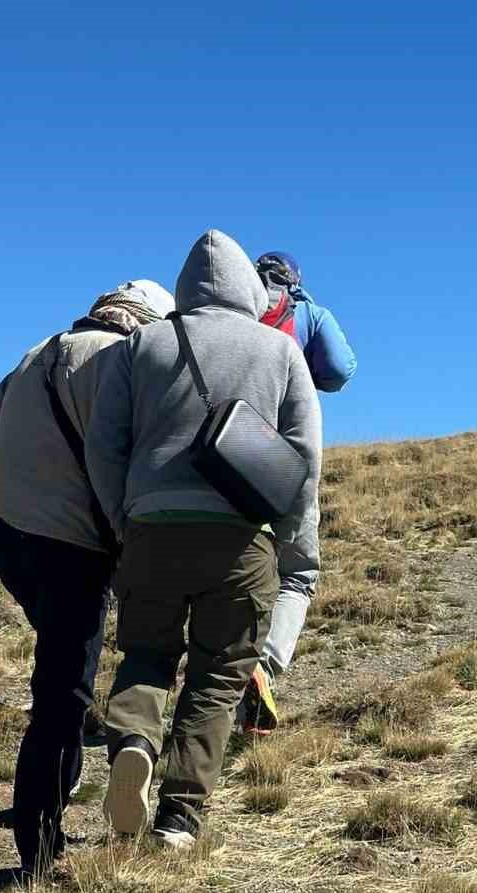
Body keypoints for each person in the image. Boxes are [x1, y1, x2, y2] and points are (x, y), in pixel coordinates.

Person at [86, 230, 322, 849]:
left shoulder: (140, 345)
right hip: (242, 537)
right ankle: (179, 819)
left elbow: (103, 447)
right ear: (248, 287)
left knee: (146, 654)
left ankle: (135, 740)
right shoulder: (280, 350)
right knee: (219, 675)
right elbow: (304, 459)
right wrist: (297, 544)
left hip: (150, 529)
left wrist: (125, 519)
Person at [0, 280, 174, 874]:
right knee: (62, 694)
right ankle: (38, 844)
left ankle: (48, 801)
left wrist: (16, 510)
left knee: (62, 662)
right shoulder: (123, 364)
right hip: (74, 550)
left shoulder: (34, 352)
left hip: (5, 534)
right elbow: (130, 468)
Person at [237, 251, 357, 733]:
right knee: (298, 574)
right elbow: (341, 370)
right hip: (284, 460)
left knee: (225, 567)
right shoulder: (307, 313)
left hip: (223, 455)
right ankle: (263, 666)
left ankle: (211, 676)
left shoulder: (232, 308)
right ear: (295, 280)